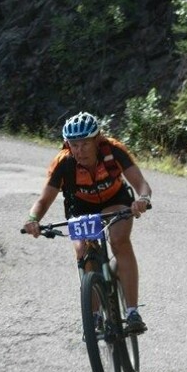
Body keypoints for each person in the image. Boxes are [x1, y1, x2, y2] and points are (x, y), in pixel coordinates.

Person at [23, 111, 152, 333]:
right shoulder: (63, 163)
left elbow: (141, 184)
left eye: (85, 143)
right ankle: (94, 315)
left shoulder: (113, 150)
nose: (79, 150)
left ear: (97, 140)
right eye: (74, 144)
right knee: (83, 251)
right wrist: (33, 219)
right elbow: (44, 199)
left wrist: (142, 199)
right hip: (80, 207)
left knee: (120, 241)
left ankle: (132, 313)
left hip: (115, 200)